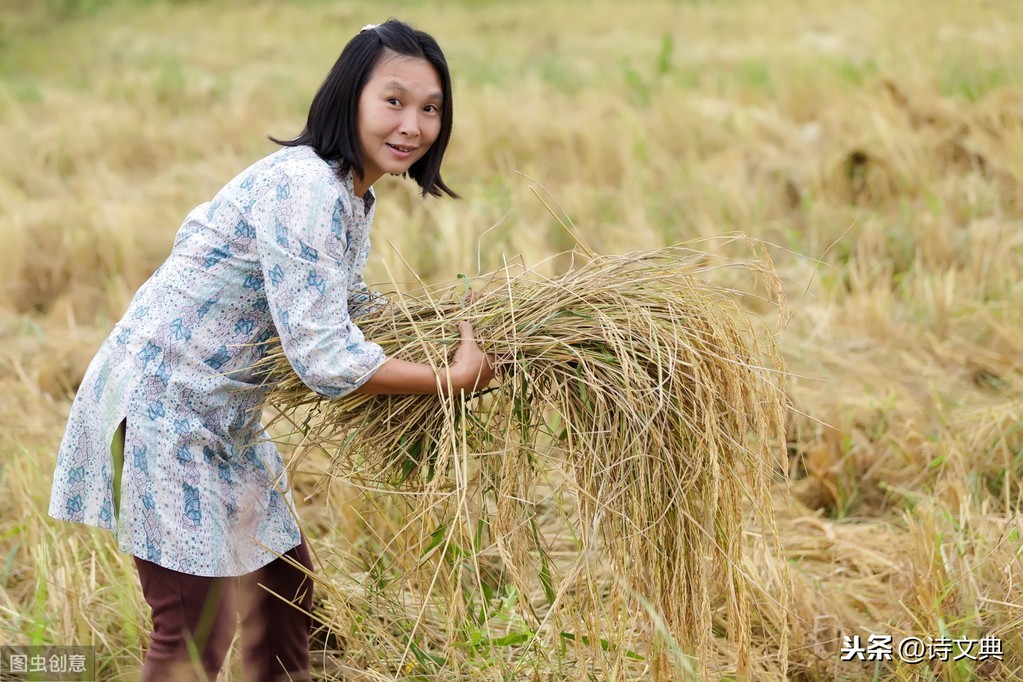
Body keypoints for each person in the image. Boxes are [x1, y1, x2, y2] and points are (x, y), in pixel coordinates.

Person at [48, 19, 495, 681]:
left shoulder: (349, 193)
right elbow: (323, 355)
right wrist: (445, 378)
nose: (413, 124)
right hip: (163, 411)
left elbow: (336, 301)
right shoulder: (308, 189)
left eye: (430, 109)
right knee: (196, 626)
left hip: (223, 421)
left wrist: (437, 324)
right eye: (393, 101)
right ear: (348, 98)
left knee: (284, 599)